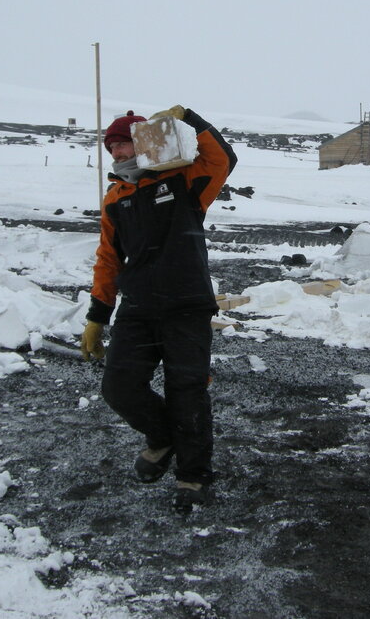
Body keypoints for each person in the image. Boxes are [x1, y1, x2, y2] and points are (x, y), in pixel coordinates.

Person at [80, 106, 237, 512]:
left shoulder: (184, 181)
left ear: (145, 142)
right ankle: (163, 437)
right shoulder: (116, 197)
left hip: (185, 305)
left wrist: (190, 118)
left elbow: (223, 159)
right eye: (111, 148)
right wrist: (97, 316)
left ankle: (193, 475)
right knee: (119, 387)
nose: (117, 153)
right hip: (138, 308)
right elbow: (108, 258)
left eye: (123, 144)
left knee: (187, 391)